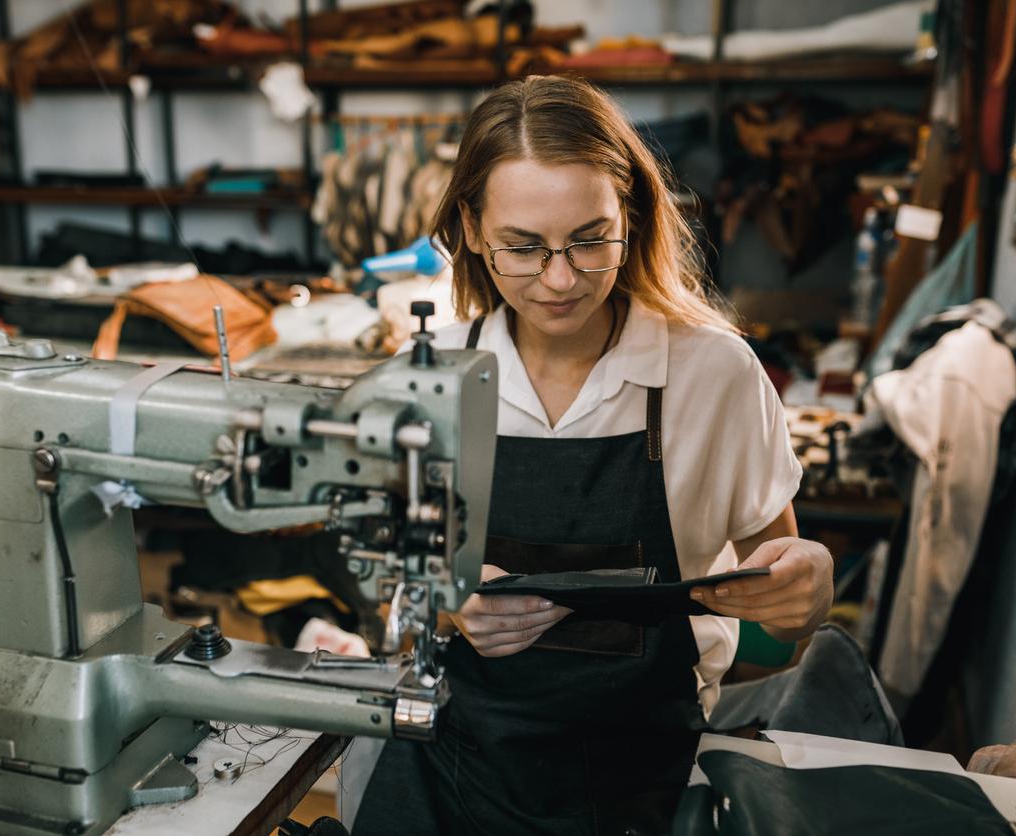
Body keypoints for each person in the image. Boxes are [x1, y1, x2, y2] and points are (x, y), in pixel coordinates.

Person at [353, 75, 833, 836]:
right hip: (456, 763)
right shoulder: (427, 378)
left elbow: (777, 598)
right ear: (473, 230)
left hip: (648, 773)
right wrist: (446, 607)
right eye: (523, 246)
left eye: (588, 238)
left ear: (632, 218)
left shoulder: (714, 372)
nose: (560, 278)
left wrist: (808, 589)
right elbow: (385, 598)